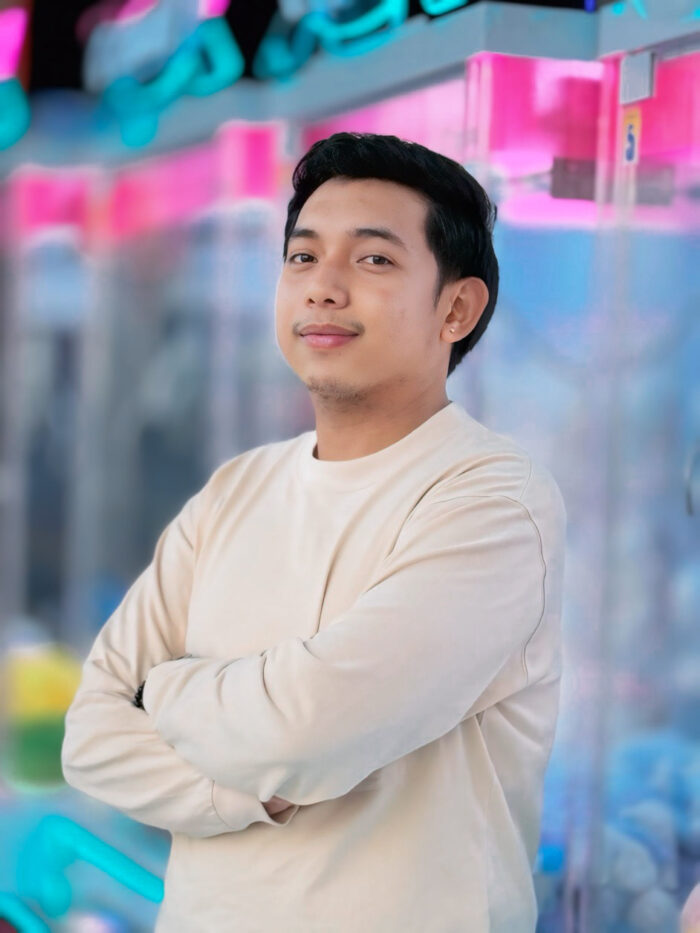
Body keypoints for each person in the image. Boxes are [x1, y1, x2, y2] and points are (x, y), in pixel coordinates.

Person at [62, 131, 567, 932]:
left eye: (373, 259)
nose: (323, 288)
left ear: (457, 308)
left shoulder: (492, 502)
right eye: (302, 257)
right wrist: (244, 792)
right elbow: (91, 738)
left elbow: (305, 729)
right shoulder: (235, 490)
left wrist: (165, 689)